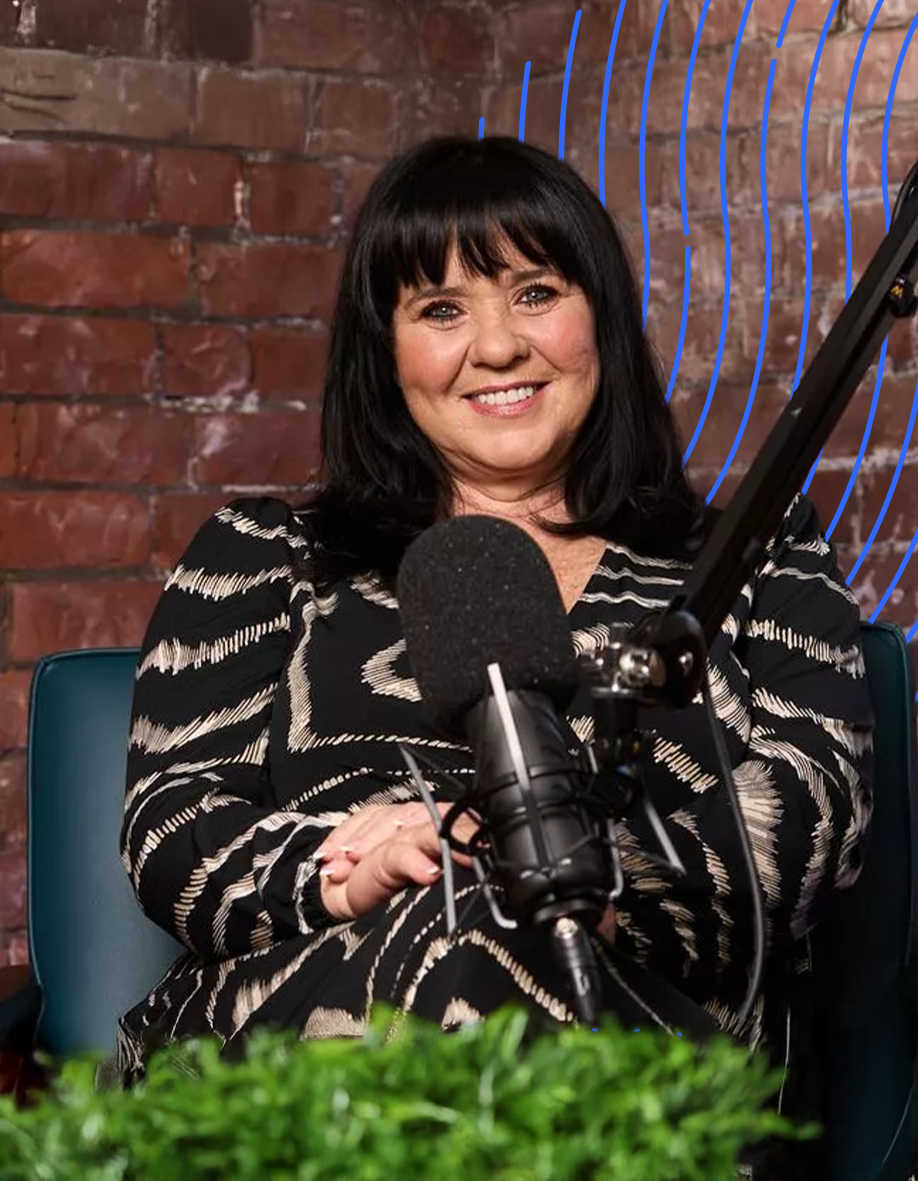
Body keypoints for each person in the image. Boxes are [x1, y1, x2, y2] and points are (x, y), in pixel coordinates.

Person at [117, 135, 875, 1103]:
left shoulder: (747, 560)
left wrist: (566, 875)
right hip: (301, 1044)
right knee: (452, 941)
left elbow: (821, 815)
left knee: (491, 937)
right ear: (385, 352)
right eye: (440, 309)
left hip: (637, 1046)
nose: (498, 346)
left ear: (598, 313)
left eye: (534, 292)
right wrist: (357, 865)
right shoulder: (266, 556)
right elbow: (174, 824)